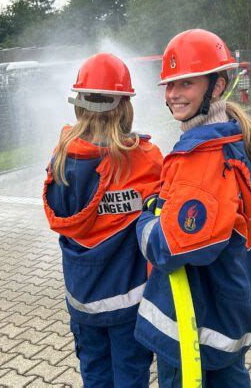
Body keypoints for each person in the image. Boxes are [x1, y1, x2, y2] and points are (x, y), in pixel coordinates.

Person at [135, 29, 251, 387]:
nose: (173, 95)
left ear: (217, 87)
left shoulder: (203, 156)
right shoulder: (234, 138)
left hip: (192, 331)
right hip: (227, 317)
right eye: (169, 85)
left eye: (185, 83)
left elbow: (173, 246)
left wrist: (145, 220)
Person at [43, 52, 163, 388]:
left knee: (95, 375)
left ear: (79, 105)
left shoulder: (61, 160)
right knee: (131, 377)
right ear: (125, 106)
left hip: (82, 300)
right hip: (130, 303)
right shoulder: (145, 158)